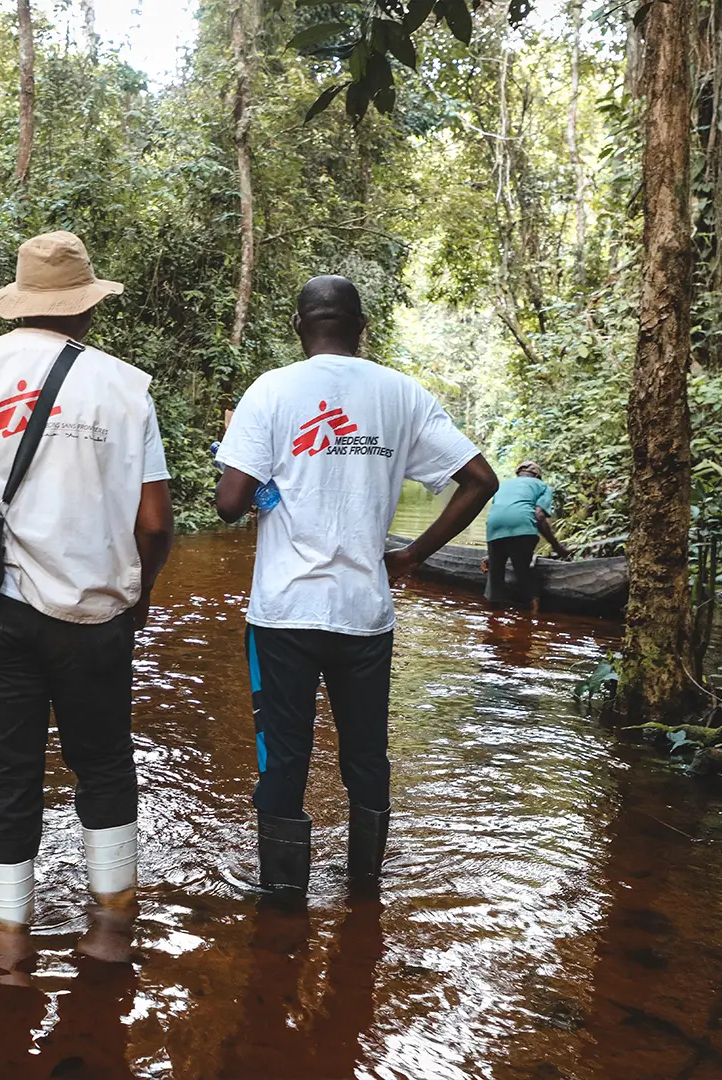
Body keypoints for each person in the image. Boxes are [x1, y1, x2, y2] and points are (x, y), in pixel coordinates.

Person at [0, 230, 174, 957]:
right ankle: (113, 929)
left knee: (3, 775)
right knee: (107, 763)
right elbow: (154, 521)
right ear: (86, 308)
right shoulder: (126, 386)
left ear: (20, 305)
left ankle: (5, 943)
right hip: (94, 615)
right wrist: (138, 600)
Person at [214, 275, 499, 900]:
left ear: (298, 326)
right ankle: (365, 890)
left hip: (285, 615)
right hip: (365, 615)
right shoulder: (402, 394)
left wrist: (240, 464)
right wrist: (415, 556)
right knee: (367, 757)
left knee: (282, 760)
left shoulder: (270, 391)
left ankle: (283, 904)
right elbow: (481, 479)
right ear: (361, 325)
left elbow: (231, 504)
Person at [483, 460, 572, 605]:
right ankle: (532, 612)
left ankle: (493, 615)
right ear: (537, 476)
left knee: (495, 576)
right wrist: (557, 547)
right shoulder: (542, 486)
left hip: (493, 527)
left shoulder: (502, 486)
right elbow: (539, 516)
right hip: (522, 527)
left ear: (518, 474)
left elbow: (501, 511)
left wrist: (491, 554)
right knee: (523, 572)